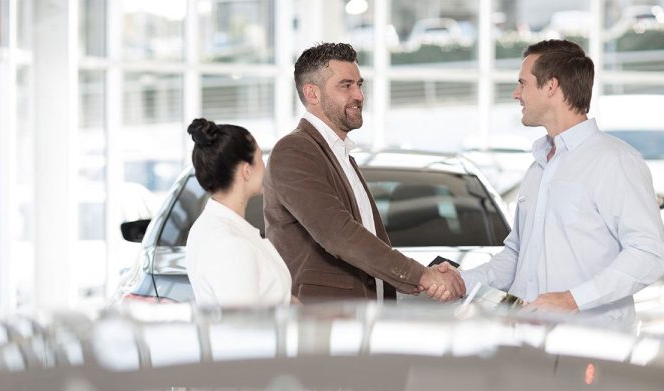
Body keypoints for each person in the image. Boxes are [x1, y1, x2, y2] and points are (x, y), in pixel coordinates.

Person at [442, 39, 664, 330]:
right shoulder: (538, 166)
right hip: (525, 338)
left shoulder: (615, 161)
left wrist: (572, 300)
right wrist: (462, 281)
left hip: (589, 342)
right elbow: (516, 255)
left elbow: (649, 254)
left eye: (523, 83)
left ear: (551, 86)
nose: (516, 94)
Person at [263, 42, 463, 302]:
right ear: (312, 93)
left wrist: (420, 274)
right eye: (346, 86)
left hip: (365, 314)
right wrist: (422, 275)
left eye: (359, 85)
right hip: (324, 317)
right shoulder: (294, 151)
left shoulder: (340, 154)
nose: (359, 95)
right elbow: (338, 233)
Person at [185, 118, 292, 307]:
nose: (265, 168)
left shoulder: (209, 226)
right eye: (260, 159)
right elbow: (244, 323)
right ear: (246, 171)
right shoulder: (230, 244)